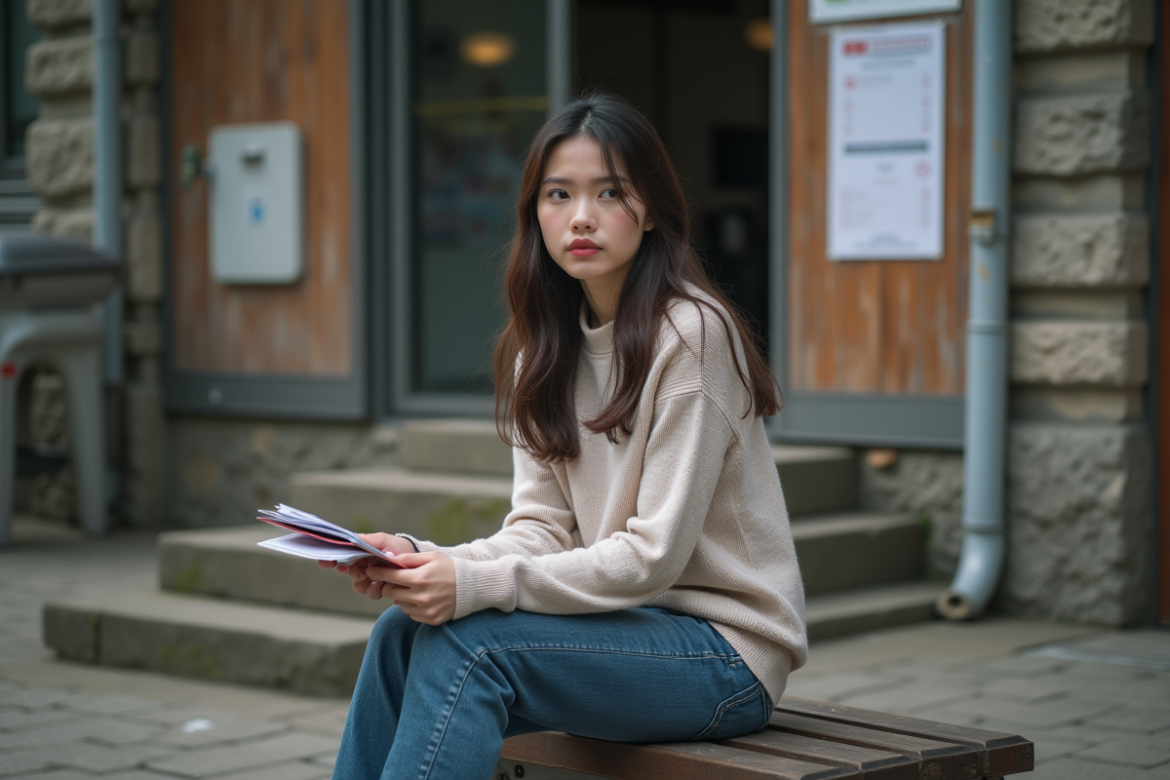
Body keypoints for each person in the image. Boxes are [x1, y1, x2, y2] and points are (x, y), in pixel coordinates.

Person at [322, 92, 807, 780]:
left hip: (724, 657)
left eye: (610, 192)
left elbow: (651, 559)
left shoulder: (692, 336)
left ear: (651, 210)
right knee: (401, 633)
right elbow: (541, 530)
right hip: (623, 632)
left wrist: (473, 584)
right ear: (535, 214)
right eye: (559, 194)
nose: (581, 216)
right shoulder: (543, 352)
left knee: (469, 648)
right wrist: (424, 559)